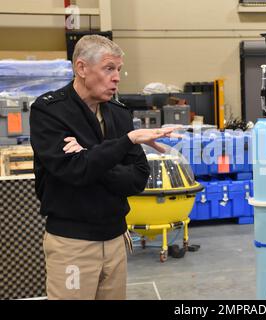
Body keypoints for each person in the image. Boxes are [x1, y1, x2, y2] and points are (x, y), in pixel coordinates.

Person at [30, 35, 176, 300]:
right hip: (72, 245)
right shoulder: (49, 111)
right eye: (109, 68)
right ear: (82, 68)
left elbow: (137, 178)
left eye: (119, 70)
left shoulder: (119, 113)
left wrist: (88, 156)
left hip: (116, 239)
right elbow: (73, 172)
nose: (117, 77)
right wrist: (125, 143)